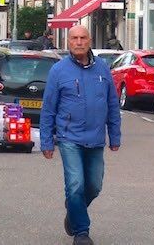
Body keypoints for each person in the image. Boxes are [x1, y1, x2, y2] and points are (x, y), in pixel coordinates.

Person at [40, 25, 122, 245]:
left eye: (82, 38)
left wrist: (115, 135)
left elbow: (112, 104)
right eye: (74, 38)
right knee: (75, 184)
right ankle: (81, 232)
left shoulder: (103, 69)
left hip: (95, 138)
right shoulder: (58, 70)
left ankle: (74, 210)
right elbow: (48, 109)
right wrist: (46, 141)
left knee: (94, 185)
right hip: (69, 137)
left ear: (90, 40)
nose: (78, 42)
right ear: (68, 42)